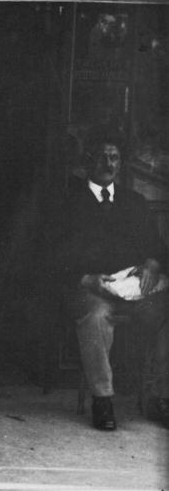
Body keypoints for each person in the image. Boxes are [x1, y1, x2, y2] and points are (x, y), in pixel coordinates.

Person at [54, 137, 168, 430]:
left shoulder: (135, 201)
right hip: (88, 287)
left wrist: (152, 265)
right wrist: (86, 278)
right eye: (102, 157)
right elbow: (51, 255)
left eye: (114, 157)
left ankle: (161, 397)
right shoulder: (67, 202)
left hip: (131, 288)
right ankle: (102, 400)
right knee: (96, 316)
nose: (108, 164)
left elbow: (154, 247)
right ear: (88, 162)